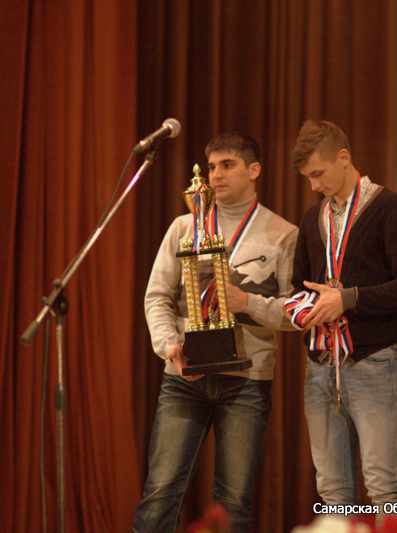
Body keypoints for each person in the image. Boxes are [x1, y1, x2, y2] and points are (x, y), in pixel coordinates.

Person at [132, 133, 298, 533]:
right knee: (160, 491)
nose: (216, 175)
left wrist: (248, 303)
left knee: (234, 501)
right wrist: (169, 346)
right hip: (184, 377)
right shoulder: (183, 226)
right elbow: (157, 296)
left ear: (254, 170)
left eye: (227, 165)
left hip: (247, 381)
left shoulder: (283, 233)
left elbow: (294, 312)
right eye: (211, 167)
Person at [287, 120, 397, 508]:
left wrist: (348, 299)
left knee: (383, 487)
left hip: (371, 361)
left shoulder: (389, 208)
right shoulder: (312, 218)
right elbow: (299, 285)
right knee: (333, 491)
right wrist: (303, 307)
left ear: (344, 158)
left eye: (318, 174)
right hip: (320, 365)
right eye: (308, 177)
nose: (313, 185)